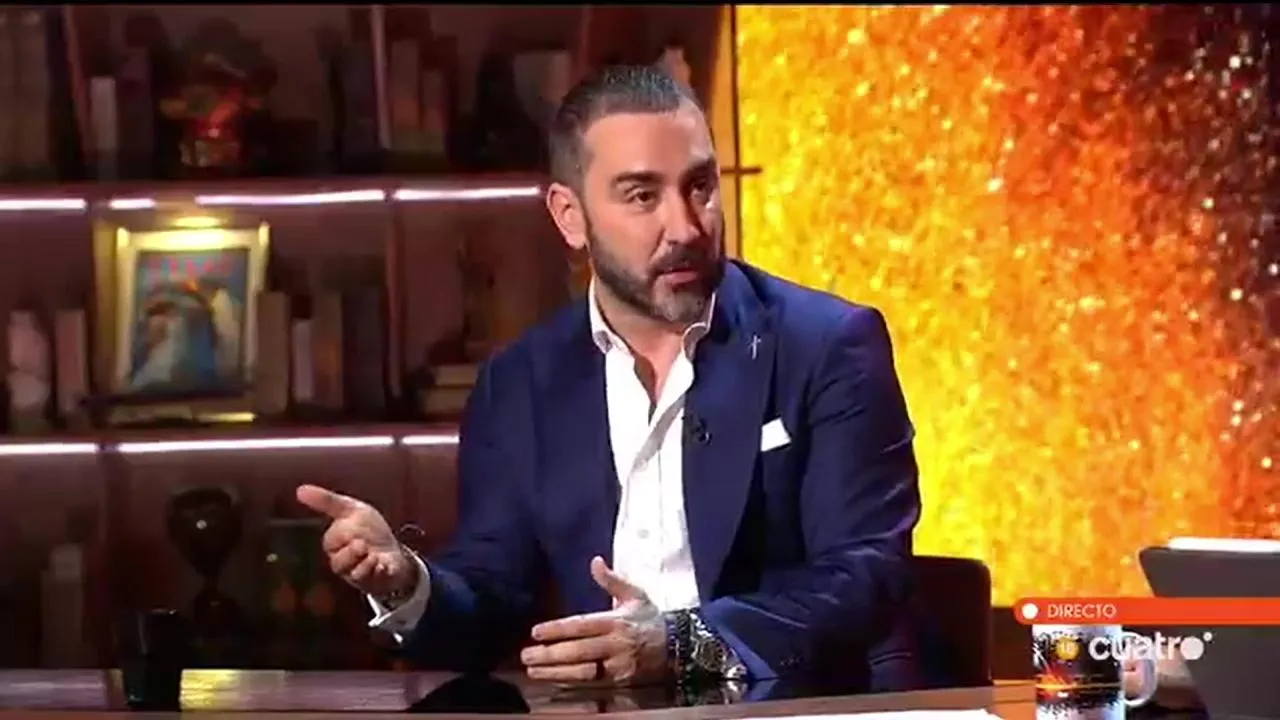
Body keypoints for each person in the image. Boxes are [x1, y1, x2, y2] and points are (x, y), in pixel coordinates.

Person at [296, 64, 923, 690]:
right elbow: (491, 598)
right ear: (570, 217)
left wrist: (683, 647)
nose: (686, 227)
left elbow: (865, 573)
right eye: (642, 196)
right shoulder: (521, 382)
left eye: (700, 187)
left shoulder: (828, 345)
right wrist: (408, 582)